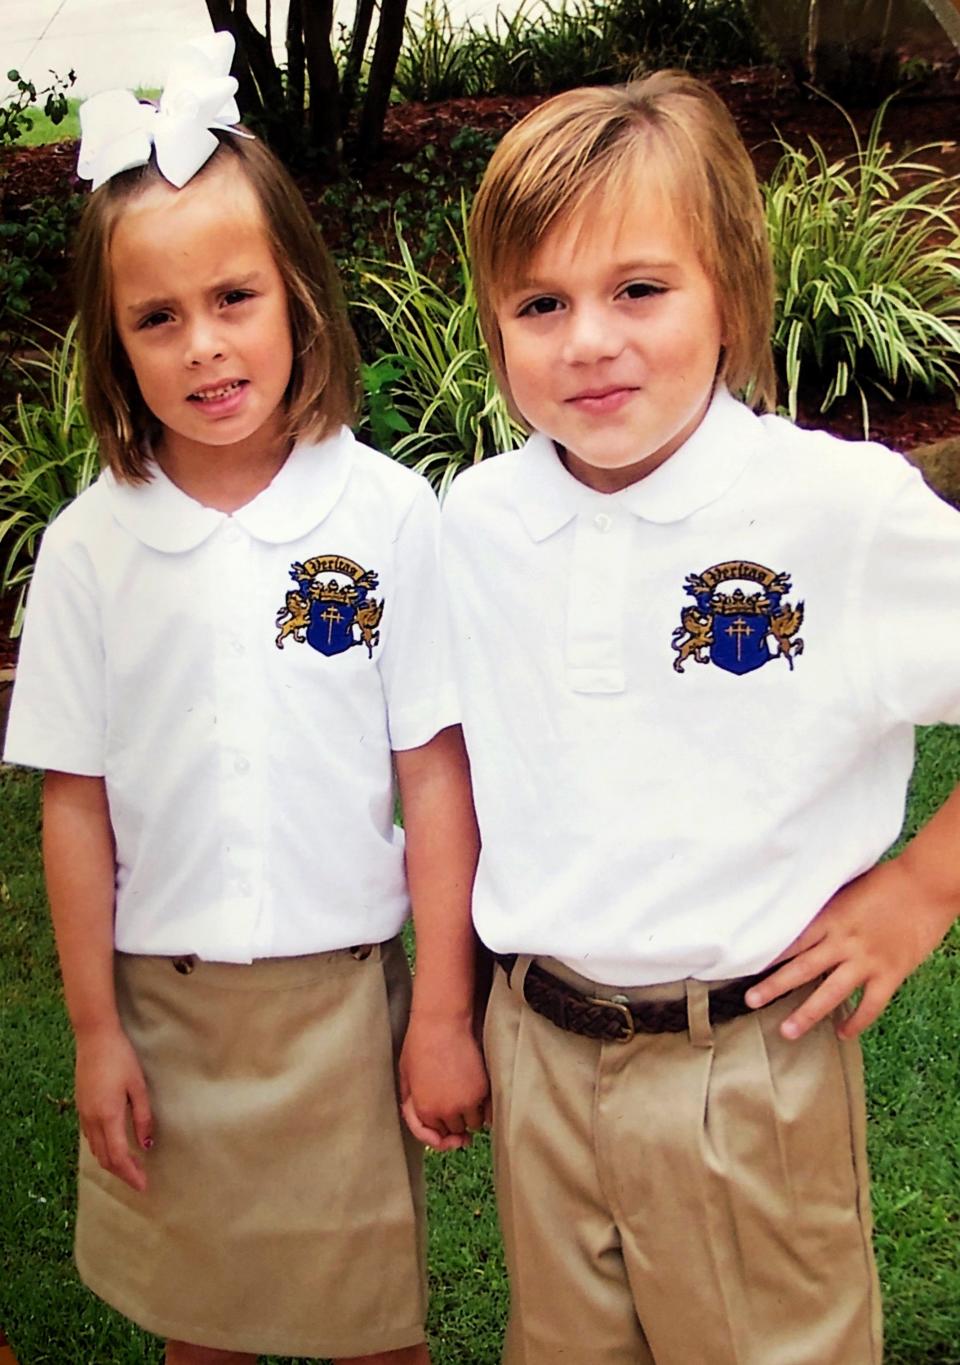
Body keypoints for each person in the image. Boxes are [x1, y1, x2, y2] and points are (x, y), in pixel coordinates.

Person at [442, 69, 960, 1364]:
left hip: (746, 1064)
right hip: (540, 1057)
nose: (589, 340)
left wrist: (924, 888)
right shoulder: (477, 523)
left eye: (639, 289)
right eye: (541, 304)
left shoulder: (838, 510)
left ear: (727, 286)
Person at [4, 33, 486, 1365]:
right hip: (167, 1014)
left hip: (343, 1006)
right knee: (200, 1327)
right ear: (114, 343)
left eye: (235, 298)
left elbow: (436, 776)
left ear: (299, 298)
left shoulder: (388, 513)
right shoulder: (90, 548)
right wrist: (95, 1030)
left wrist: (441, 1009)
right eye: (158, 318)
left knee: (371, 1328)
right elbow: (74, 805)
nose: (204, 345)